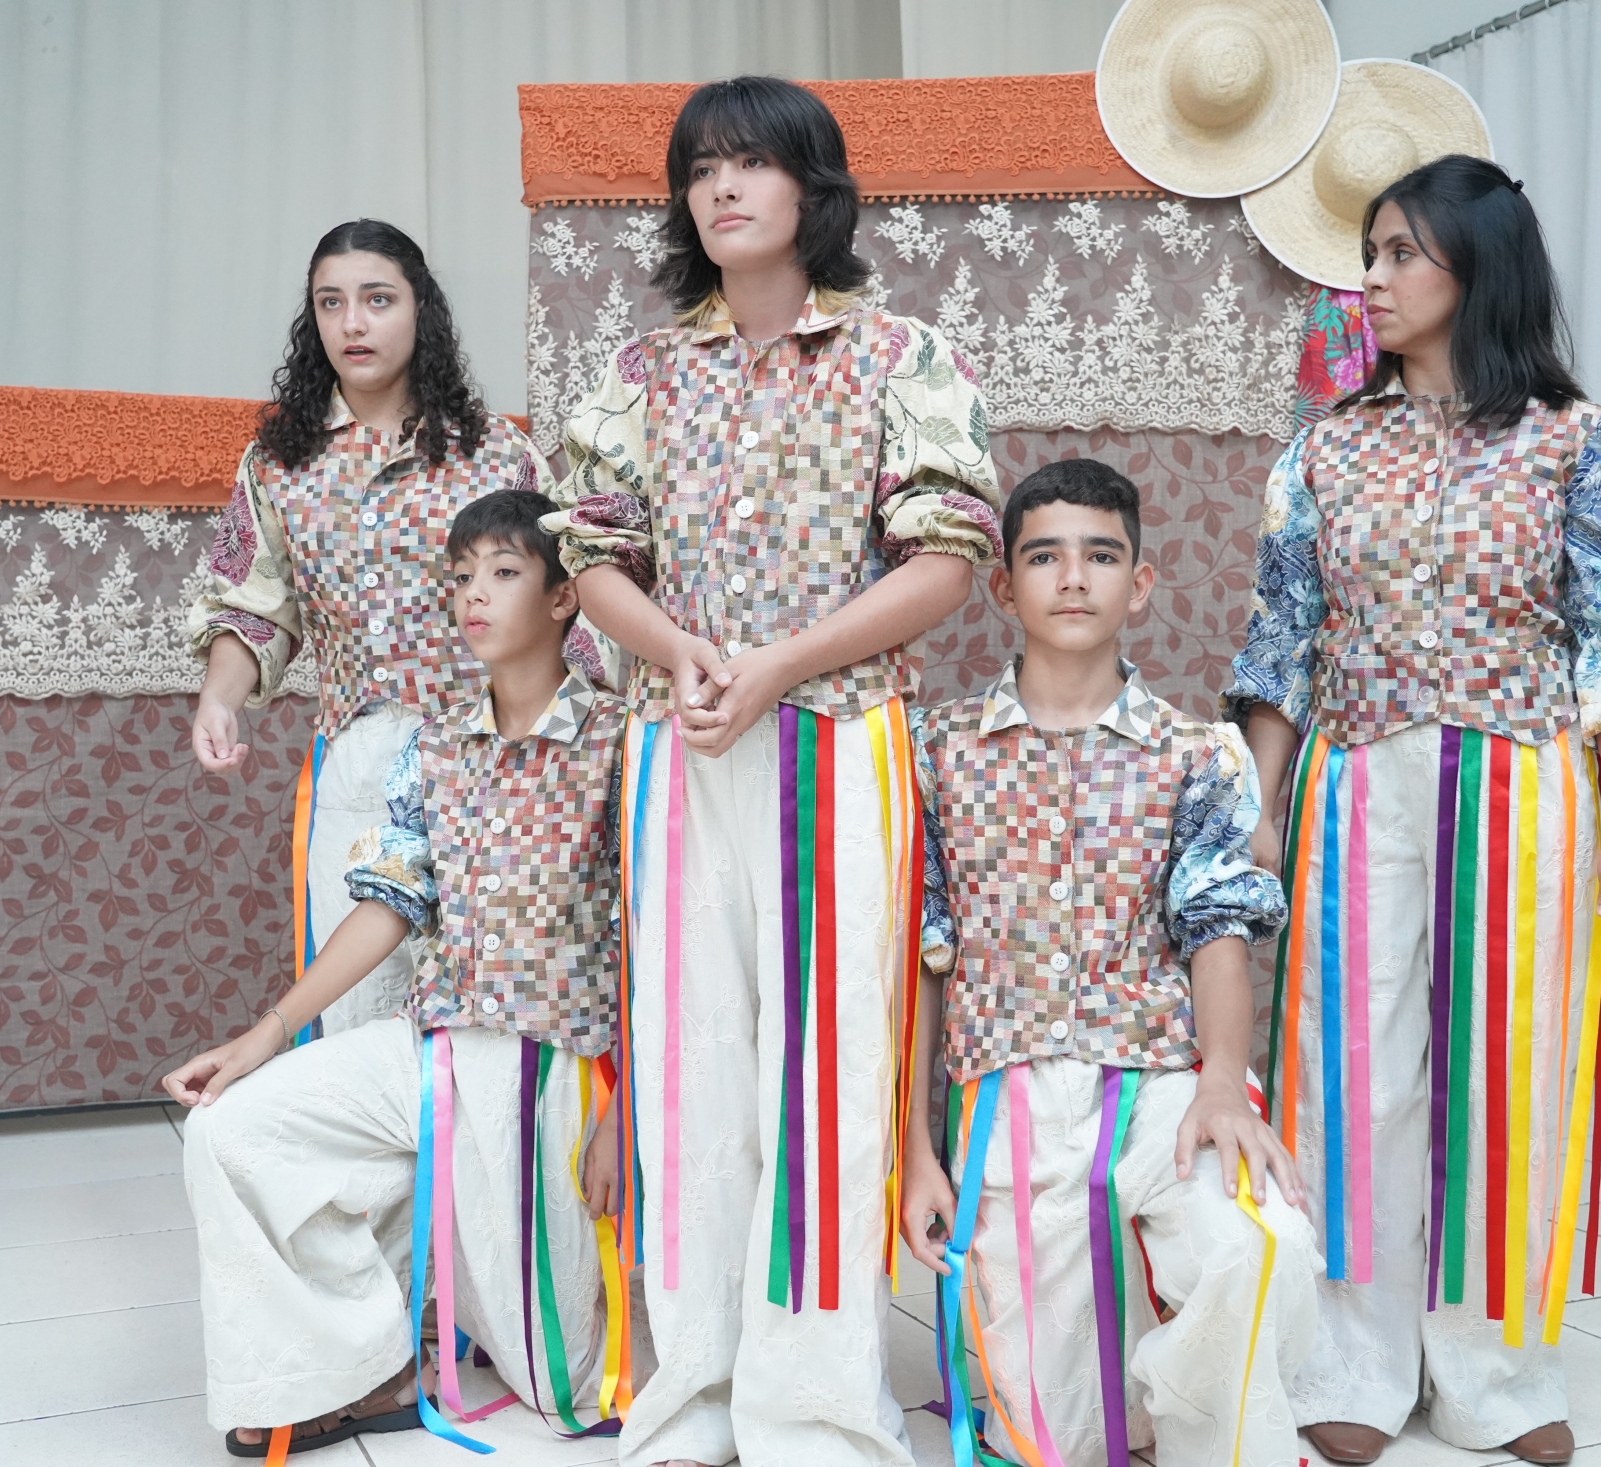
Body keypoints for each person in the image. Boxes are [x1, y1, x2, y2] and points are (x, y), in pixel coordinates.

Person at [543, 75, 1002, 1467]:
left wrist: (780, 663)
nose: (723, 188)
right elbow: (588, 553)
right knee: (689, 1067)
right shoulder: (640, 369)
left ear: (815, 186)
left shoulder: (903, 354)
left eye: (751, 162)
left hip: (839, 744)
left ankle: (814, 1411)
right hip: (679, 747)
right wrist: (681, 651)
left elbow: (947, 556)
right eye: (701, 169)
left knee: (830, 1070)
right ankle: (694, 1393)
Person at [1226, 155, 1601, 1465]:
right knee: (1349, 1069)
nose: (1370, 281)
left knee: (1511, 1068)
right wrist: (1261, 808)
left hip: (1525, 783)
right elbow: (1280, 644)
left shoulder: (1581, 441)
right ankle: (1352, 1360)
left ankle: (1498, 1370)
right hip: (1354, 779)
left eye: (1398, 254)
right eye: (1368, 254)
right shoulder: (1324, 450)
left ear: (1477, 267)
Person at [169, 491, 628, 1459]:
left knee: (571, 1387)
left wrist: (625, 1116)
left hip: (556, 1073)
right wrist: (260, 1038)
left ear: (564, 598)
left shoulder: (623, 743)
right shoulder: (436, 746)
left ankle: (514, 1313)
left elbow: (655, 943)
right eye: (459, 577)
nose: (473, 595)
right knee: (233, 1129)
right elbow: (388, 902)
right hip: (433, 1051)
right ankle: (354, 1367)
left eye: (503, 572)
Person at [898, 461, 1319, 1467]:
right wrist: (916, 1149)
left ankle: (1204, 1422)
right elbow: (923, 958)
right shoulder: (937, 751)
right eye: (1044, 557)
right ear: (1004, 587)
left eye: (1101, 555)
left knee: (1259, 1244)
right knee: (1069, 1441)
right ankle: (1125, 1391)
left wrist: (1222, 1083)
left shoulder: (1196, 752)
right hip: (1011, 1092)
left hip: (1161, 1076)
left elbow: (1217, 930)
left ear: (1140, 585)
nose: (1074, 577)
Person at [188, 218, 553, 1035]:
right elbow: (253, 605)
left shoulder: (498, 453)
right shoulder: (279, 462)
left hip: (492, 757)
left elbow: (568, 610)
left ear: (421, 308)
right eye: (331, 302)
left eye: (378, 299)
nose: (353, 322)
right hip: (356, 765)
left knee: (490, 1014)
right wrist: (219, 698)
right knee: (356, 1014)